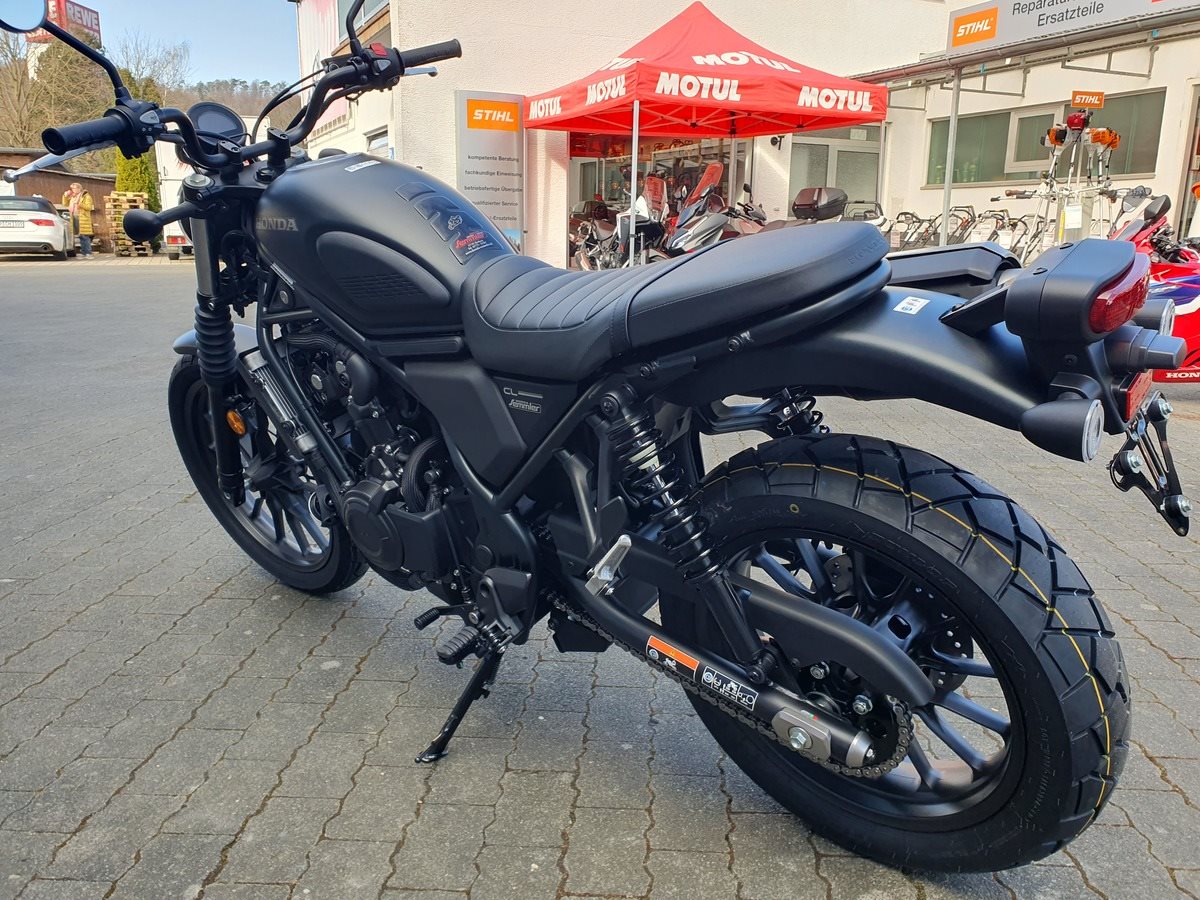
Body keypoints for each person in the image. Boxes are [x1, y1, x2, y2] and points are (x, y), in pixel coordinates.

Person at [62, 182, 94, 258]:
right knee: (79, 235)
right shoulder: (73, 196)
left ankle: (88, 253)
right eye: (72, 188)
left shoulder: (86, 196)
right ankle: (83, 252)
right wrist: (65, 196)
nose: (72, 190)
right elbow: (65, 204)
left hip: (83, 218)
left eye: (74, 188)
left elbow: (89, 207)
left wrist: (79, 204)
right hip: (74, 216)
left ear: (79, 188)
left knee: (84, 236)